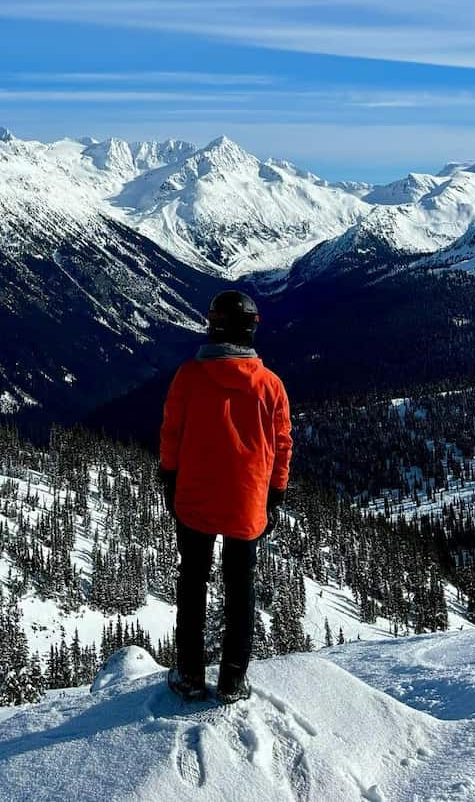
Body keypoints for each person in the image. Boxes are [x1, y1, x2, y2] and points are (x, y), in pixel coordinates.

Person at [159, 288, 292, 704]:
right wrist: (276, 493)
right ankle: (233, 680)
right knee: (240, 587)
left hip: (195, 497)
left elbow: (171, 433)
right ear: (250, 330)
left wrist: (169, 478)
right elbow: (282, 445)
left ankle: (190, 675)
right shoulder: (270, 385)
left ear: (213, 327)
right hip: (247, 500)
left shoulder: (189, 376)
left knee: (192, 582)